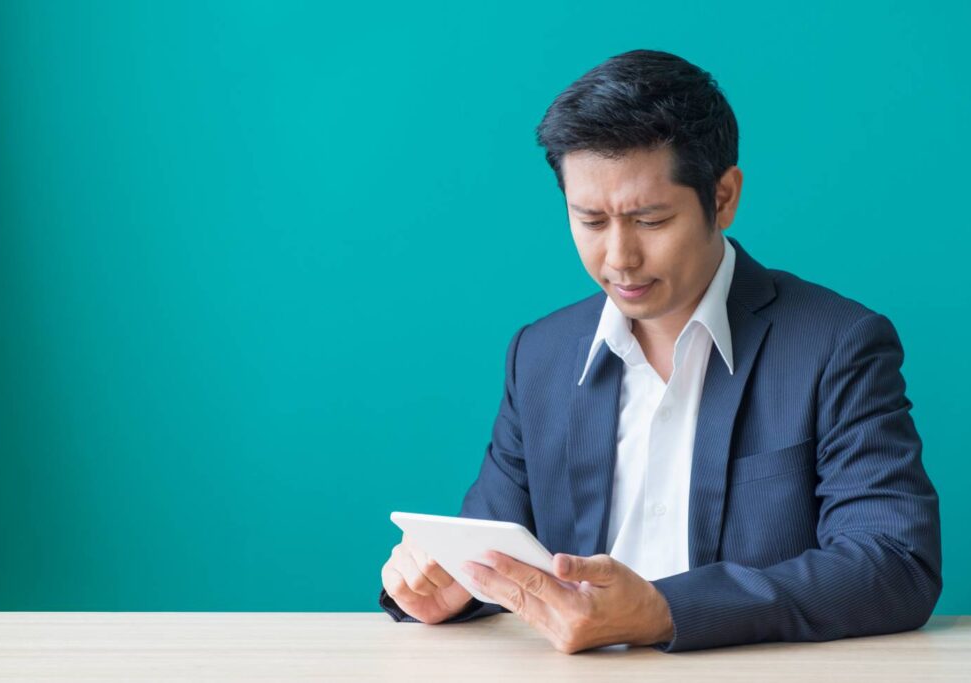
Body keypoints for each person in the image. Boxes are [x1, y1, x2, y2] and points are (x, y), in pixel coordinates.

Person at [378, 49, 942, 653]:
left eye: (649, 220)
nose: (619, 258)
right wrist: (451, 587)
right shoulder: (539, 355)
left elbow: (895, 563)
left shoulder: (836, 344)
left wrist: (666, 611)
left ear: (723, 197)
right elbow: (494, 547)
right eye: (590, 221)